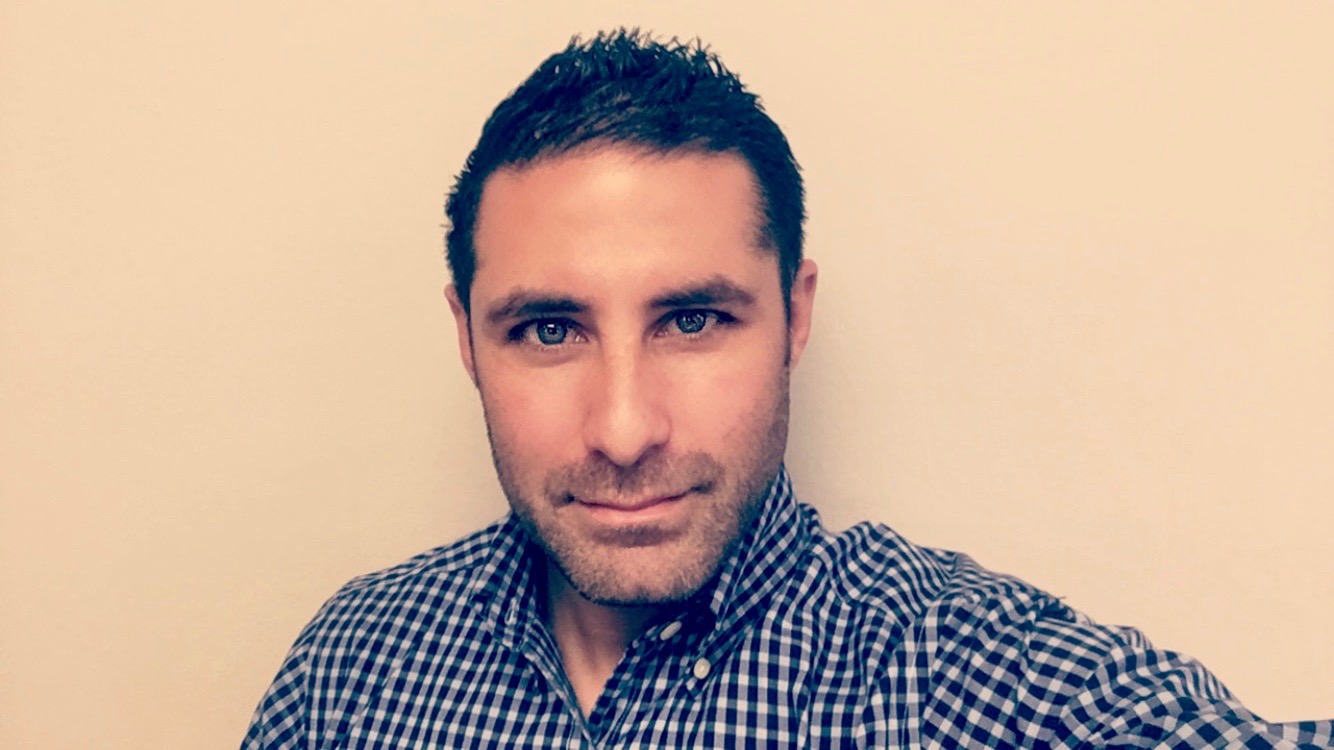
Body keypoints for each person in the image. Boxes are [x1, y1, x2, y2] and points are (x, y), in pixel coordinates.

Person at [243, 30, 1331, 748]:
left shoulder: (952, 677)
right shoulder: (355, 665)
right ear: (467, 340)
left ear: (793, 317)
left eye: (692, 320)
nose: (622, 429)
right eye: (548, 330)